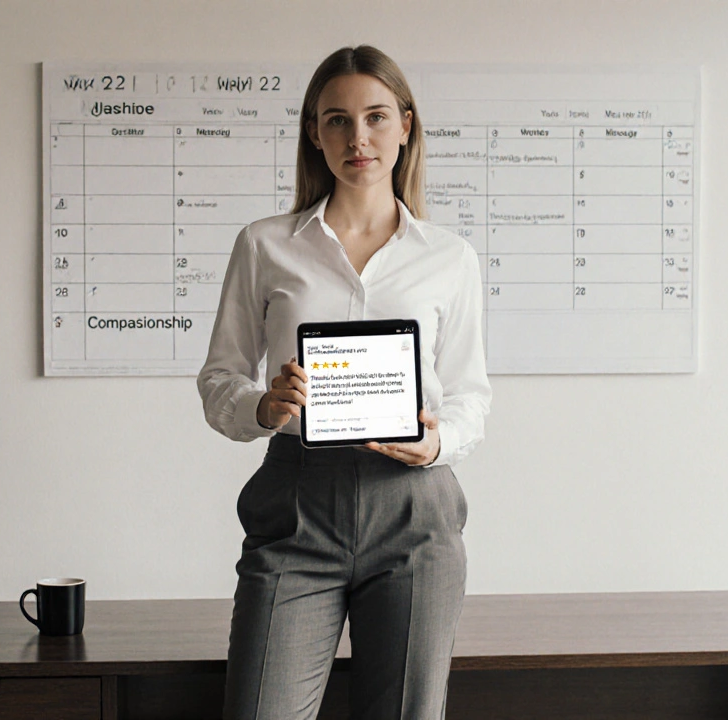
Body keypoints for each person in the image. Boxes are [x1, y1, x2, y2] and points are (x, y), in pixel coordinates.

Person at [197, 45, 491, 720]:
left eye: (376, 117)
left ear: (406, 125)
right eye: (336, 120)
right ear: (314, 133)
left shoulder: (449, 257)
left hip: (414, 509)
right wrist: (263, 405)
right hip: (297, 500)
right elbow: (219, 380)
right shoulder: (265, 245)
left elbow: (470, 393)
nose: (358, 138)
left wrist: (437, 442)